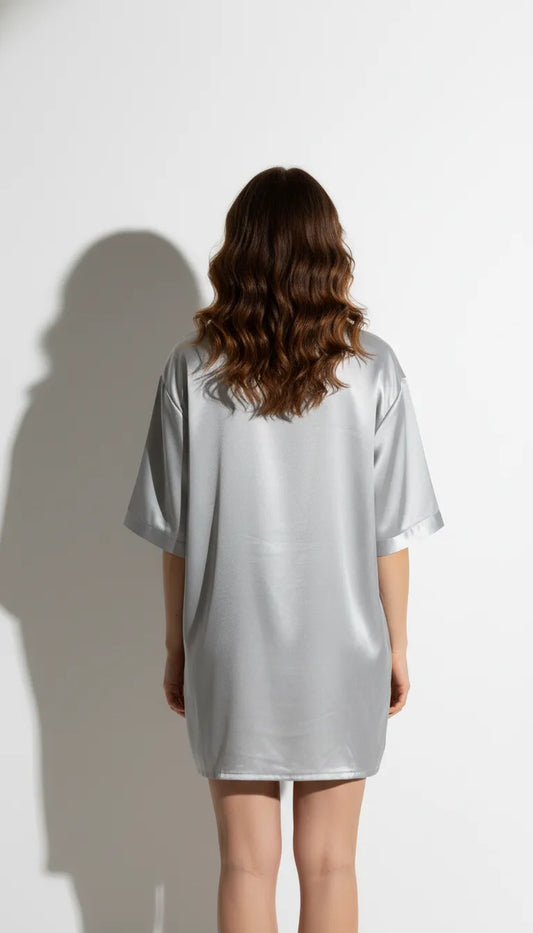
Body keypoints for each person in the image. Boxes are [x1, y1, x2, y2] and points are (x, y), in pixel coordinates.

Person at [122, 166, 444, 932]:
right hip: (345, 646)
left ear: (236, 252)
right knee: (331, 863)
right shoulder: (373, 368)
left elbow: (175, 535)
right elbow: (389, 532)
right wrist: (396, 645)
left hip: (229, 646)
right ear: (329, 251)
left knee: (243, 863)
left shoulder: (191, 371)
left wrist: (177, 647)